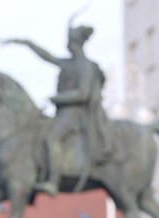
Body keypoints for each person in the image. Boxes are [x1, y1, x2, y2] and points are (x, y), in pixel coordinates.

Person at [6, 25, 112, 196]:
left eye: (70, 41)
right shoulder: (68, 63)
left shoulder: (85, 66)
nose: (67, 45)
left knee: (51, 138)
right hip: (62, 113)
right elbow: (48, 57)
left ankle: (53, 182)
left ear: (77, 43)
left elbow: (83, 94)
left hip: (74, 114)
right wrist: (28, 44)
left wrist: (58, 98)